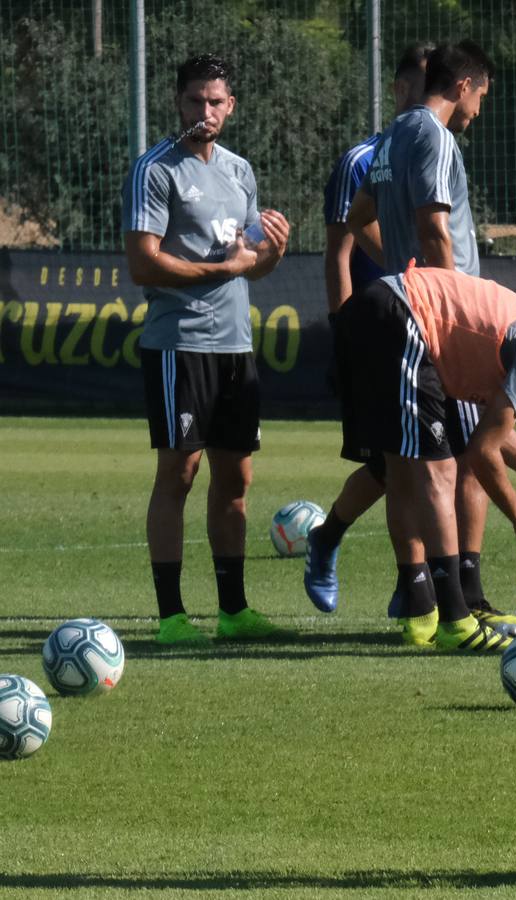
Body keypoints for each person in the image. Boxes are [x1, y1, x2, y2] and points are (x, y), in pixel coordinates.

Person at [345, 41, 516, 635]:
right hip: (438, 321)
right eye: (481, 95)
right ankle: (456, 608)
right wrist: (449, 293)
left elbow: (360, 218)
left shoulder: (392, 134)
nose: (480, 109)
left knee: (415, 466)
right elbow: (435, 227)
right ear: (464, 85)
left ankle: (428, 602)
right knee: (447, 466)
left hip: (409, 308)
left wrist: (403, 274)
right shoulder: (434, 135)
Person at [332, 262, 516, 652]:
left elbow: (495, 437)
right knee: (433, 470)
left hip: (394, 313)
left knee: (408, 469)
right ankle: (455, 619)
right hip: (398, 313)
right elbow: (483, 452)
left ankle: (428, 609)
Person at [121, 53, 291, 645]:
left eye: (215, 101)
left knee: (236, 478)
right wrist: (226, 268)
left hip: (234, 346)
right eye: (195, 100)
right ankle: (171, 616)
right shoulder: (156, 170)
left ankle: (233, 609)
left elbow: (251, 265)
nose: (205, 112)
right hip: (179, 343)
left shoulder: (240, 172)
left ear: (231, 106)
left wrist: (273, 251)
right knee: (180, 471)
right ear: (178, 102)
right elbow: (144, 263)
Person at [304, 42, 435, 615]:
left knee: (429, 460)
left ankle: (413, 585)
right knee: (391, 463)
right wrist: (342, 332)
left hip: (429, 326)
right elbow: (338, 251)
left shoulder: (436, 149)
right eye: (425, 88)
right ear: (403, 90)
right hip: (375, 329)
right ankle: (330, 537)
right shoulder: (362, 160)